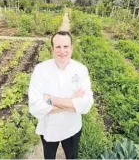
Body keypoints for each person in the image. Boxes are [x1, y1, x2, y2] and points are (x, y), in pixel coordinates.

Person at [28, 31, 94, 159]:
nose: (62, 51)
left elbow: (86, 104)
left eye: (66, 46)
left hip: (72, 127)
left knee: (72, 156)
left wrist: (51, 100)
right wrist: (72, 102)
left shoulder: (80, 69)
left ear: (71, 48)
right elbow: (35, 106)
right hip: (49, 128)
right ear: (52, 49)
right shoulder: (40, 70)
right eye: (58, 47)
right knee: (49, 157)